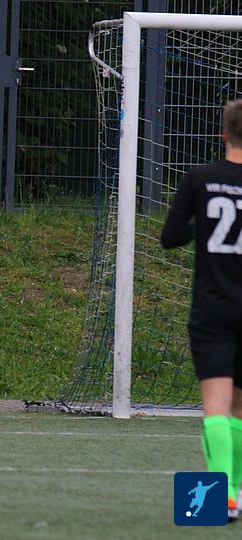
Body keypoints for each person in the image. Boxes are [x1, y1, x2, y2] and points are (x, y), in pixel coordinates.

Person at [160, 98, 242, 521]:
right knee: (240, 409)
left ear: (224, 133)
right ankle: (237, 493)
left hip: (213, 307)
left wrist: (200, 223)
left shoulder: (200, 178)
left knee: (216, 405)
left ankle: (223, 496)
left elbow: (170, 237)